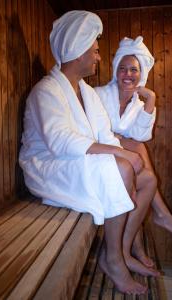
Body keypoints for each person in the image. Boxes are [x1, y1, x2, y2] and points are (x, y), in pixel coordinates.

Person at [19, 11, 158, 295]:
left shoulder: (87, 92)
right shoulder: (46, 91)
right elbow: (60, 142)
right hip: (49, 166)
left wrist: (126, 155)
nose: (98, 57)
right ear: (78, 50)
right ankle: (114, 260)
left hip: (76, 162)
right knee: (119, 169)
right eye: (94, 51)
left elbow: (106, 135)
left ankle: (120, 249)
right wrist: (123, 158)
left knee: (145, 179)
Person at [95, 36, 172, 267]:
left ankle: (128, 248)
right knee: (137, 148)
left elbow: (141, 135)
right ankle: (159, 216)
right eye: (123, 69)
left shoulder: (138, 103)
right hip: (98, 157)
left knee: (143, 169)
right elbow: (93, 133)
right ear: (115, 70)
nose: (128, 74)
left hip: (122, 162)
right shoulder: (98, 94)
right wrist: (118, 139)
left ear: (142, 74)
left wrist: (151, 99)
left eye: (134, 70)